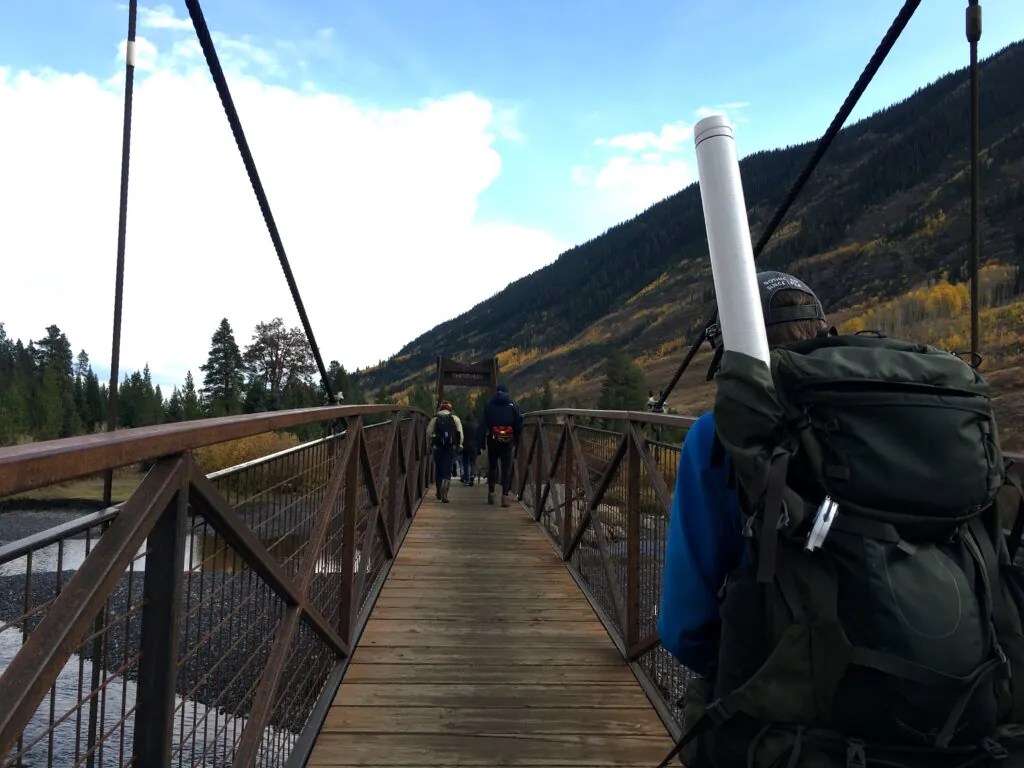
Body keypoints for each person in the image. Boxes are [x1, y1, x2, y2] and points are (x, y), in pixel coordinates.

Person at [657, 271, 1024, 767]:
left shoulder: (724, 435)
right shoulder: (926, 421)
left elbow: (685, 626)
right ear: (822, 330)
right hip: (967, 710)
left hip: (801, 736)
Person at [478, 383, 523, 507]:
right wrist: (516, 439)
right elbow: (518, 425)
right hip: (507, 441)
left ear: (496, 392)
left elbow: (483, 426)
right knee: (506, 469)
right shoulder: (513, 405)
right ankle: (505, 496)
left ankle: (491, 494)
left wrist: (480, 443)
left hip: (493, 441)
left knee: (492, 467)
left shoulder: (489, 405)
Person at [426, 400, 463, 503]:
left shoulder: (435, 418)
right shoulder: (455, 418)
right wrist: (459, 445)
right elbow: (460, 433)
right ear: (450, 409)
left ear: (440, 408)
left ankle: (438, 491)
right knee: (448, 469)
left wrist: (430, 444)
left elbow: (428, 433)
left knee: (439, 469)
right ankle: (445, 493)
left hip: (438, 448)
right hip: (450, 448)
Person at [460, 413, 479, 486]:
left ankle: (466, 479)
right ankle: (472, 476)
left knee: (465, 463)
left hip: (465, 446)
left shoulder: (463, 425)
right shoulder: (476, 426)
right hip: (474, 446)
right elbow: (479, 437)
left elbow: (460, 435)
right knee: (473, 462)